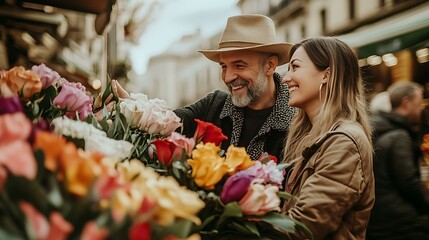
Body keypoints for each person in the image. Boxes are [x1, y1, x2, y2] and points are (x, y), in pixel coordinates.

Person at [110, 14, 296, 160]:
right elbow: (169, 121)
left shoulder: (300, 120)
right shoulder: (214, 105)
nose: (228, 77)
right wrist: (131, 107)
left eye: (239, 65)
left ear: (270, 65)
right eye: (224, 66)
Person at [280, 37, 374, 239]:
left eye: (295, 67)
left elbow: (302, 226)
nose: (285, 78)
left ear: (327, 75)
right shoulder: (313, 137)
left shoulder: (344, 141)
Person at [366, 81, 429, 240]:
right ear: (406, 103)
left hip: (377, 218)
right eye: (419, 101)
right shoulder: (400, 136)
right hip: (399, 223)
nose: (422, 107)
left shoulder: (378, 129)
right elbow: (408, 182)